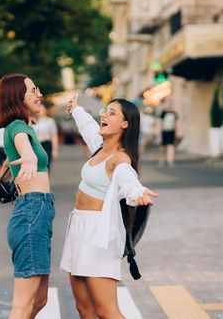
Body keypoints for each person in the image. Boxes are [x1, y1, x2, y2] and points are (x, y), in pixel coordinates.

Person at [62, 96, 158, 319]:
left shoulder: (120, 158)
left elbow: (127, 180)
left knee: (107, 311)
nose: (104, 115)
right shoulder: (99, 148)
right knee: (84, 309)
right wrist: (76, 109)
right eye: (105, 111)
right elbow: (88, 127)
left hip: (99, 236)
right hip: (79, 228)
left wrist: (138, 193)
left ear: (125, 124)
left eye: (112, 112)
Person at [0, 74, 55, 319]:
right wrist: (29, 158)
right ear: (17, 98)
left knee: (39, 300)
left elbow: (13, 153)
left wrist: (2, 174)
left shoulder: (24, 127)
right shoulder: (18, 128)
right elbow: (24, 147)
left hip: (38, 211)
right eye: (32, 91)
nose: (39, 94)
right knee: (23, 305)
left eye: (37, 89)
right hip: (32, 212)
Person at [33, 102, 59, 171]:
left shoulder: (50, 121)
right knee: (36, 166)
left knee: (46, 166)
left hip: (46, 144)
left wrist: (55, 150)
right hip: (36, 145)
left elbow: (54, 136)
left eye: (42, 108)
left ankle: (46, 180)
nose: (40, 110)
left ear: (45, 110)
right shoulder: (33, 121)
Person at [157, 99, 178, 167]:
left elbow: (176, 124)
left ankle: (170, 160)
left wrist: (176, 133)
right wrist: (158, 133)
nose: (169, 105)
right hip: (164, 131)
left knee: (171, 146)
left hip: (171, 131)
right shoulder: (163, 113)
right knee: (162, 147)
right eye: (168, 104)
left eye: (170, 104)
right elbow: (160, 123)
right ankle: (161, 160)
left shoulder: (174, 114)